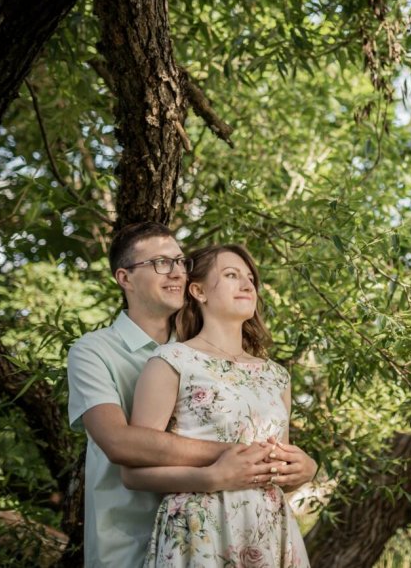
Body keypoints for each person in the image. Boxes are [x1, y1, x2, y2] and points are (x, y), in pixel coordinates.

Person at [67, 223, 315, 567]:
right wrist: (239, 459)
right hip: (129, 538)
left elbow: (271, 466)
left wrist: (299, 467)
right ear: (124, 279)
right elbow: (120, 444)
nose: (176, 273)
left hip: (244, 534)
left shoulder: (200, 354)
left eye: (180, 262)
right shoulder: (95, 351)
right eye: (160, 263)